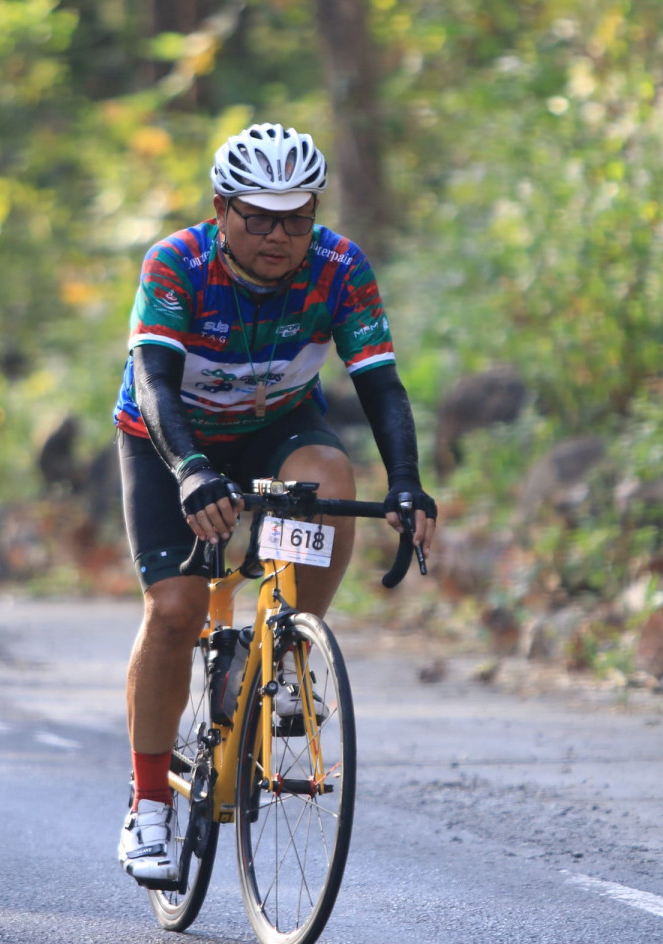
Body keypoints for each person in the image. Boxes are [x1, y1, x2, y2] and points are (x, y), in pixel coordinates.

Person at [112, 123, 437, 885]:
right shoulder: (176, 264)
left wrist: (406, 480)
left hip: (274, 427)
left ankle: (287, 649)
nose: (278, 237)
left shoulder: (339, 267)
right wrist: (190, 470)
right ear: (221, 210)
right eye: (258, 218)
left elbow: (380, 384)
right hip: (171, 436)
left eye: (296, 219)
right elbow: (154, 383)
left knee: (328, 479)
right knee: (176, 610)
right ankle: (148, 804)